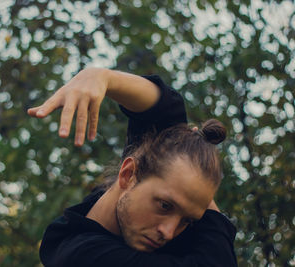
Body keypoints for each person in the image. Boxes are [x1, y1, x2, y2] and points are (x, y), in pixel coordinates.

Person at [28, 68, 237, 267]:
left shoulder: (145, 182)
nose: (169, 232)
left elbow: (167, 107)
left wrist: (103, 77)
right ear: (128, 174)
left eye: (188, 221)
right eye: (165, 206)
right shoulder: (85, 256)